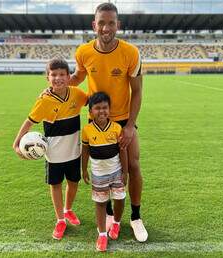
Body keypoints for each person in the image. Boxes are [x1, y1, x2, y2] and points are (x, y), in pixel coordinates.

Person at [71, 2, 148, 242]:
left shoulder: (131, 53)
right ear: (94, 25)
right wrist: (53, 87)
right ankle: (111, 215)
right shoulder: (83, 52)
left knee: (133, 166)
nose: (106, 28)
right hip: (96, 122)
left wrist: (129, 126)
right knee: (103, 169)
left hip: (123, 119)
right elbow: (77, 77)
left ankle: (135, 217)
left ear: (118, 25)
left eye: (111, 23)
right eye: (101, 23)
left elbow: (137, 92)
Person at [13, 58, 87, 240]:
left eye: (62, 74)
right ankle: (60, 219)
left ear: (69, 77)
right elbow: (29, 122)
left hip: (74, 151)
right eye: (53, 75)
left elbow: (93, 102)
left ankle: (68, 209)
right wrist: (16, 143)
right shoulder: (44, 101)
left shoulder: (77, 94)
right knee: (55, 185)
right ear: (47, 77)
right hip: (53, 154)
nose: (58, 78)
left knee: (73, 182)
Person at [82, 92, 128, 252]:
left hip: (116, 171)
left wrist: (125, 171)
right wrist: (84, 169)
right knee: (100, 203)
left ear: (110, 109)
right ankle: (102, 234)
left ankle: (116, 223)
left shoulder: (116, 128)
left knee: (119, 199)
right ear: (90, 112)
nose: (102, 111)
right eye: (97, 108)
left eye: (105, 108)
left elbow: (123, 151)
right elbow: (85, 150)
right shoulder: (87, 130)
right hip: (98, 174)